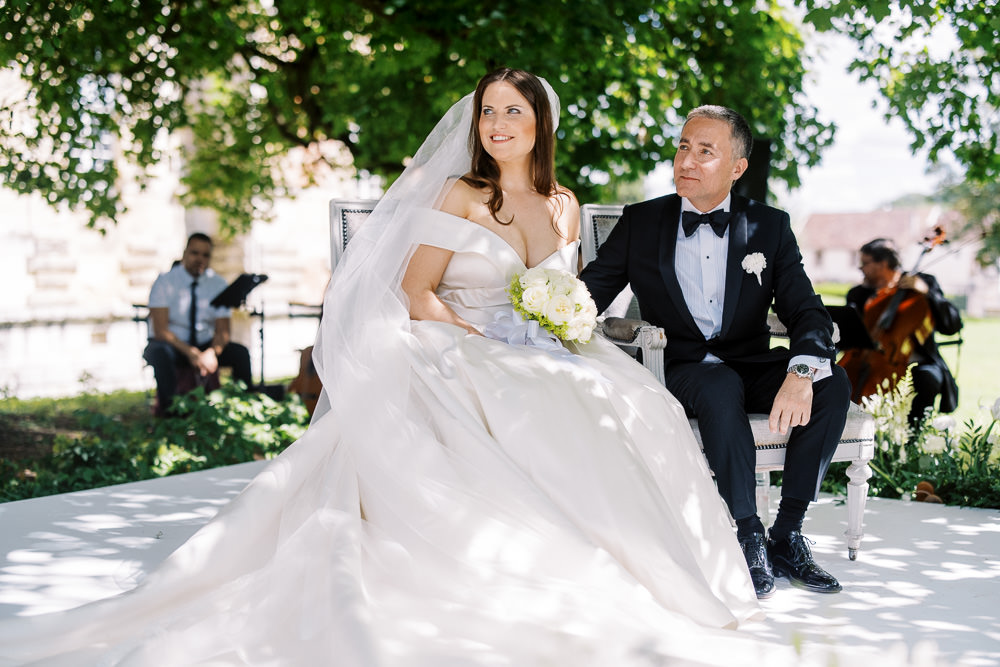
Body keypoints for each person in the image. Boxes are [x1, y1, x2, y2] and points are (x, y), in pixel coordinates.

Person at [1, 71, 878, 666]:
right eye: (489, 112)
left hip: (546, 345)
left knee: (627, 406)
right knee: (563, 397)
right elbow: (417, 293)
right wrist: (491, 335)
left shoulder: (570, 206)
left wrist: (566, 326)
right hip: (456, 338)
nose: (496, 126)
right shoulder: (456, 196)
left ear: (540, 128)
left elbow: (581, 292)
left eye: (514, 115)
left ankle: (746, 540)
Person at [580, 105, 851, 600]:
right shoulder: (643, 222)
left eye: (705, 151)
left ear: (737, 168)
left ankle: (786, 534)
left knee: (831, 379)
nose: (687, 160)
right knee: (717, 383)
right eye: (684, 146)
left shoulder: (768, 226)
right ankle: (747, 534)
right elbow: (589, 295)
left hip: (750, 361)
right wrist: (542, 311)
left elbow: (807, 311)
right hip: (679, 367)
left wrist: (802, 368)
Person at [845, 237, 962, 425]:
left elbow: (952, 325)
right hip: (868, 358)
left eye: (865, 263)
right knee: (841, 377)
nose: (860, 269)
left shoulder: (921, 283)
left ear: (883, 264)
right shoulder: (859, 293)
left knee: (928, 378)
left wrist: (926, 292)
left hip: (916, 362)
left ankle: (912, 438)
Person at [143, 233, 254, 415]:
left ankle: (243, 408)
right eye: (195, 253)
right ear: (185, 253)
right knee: (159, 353)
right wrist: (191, 353)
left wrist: (211, 353)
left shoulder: (217, 284)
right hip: (173, 344)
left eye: (205, 255)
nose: (200, 259)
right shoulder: (165, 282)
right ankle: (171, 414)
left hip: (205, 344)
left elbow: (223, 330)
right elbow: (161, 330)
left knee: (240, 353)